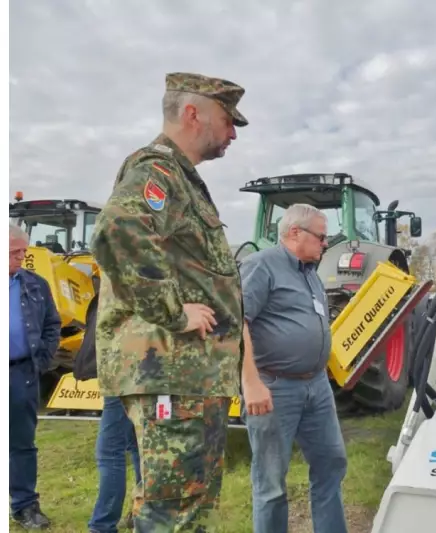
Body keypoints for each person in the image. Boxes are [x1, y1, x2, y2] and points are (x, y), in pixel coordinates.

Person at [90, 72, 248, 530]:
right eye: (227, 119)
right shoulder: (158, 170)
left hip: (188, 376)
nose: (233, 132)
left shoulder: (178, 176)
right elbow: (119, 230)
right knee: (172, 511)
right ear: (193, 112)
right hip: (173, 372)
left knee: (186, 503)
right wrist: (174, 313)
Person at [239, 203, 348, 533]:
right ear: (295, 232)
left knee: (331, 464)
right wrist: (251, 383)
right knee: (271, 483)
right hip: (274, 388)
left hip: (316, 386)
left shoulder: (310, 274)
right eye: (321, 236)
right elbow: (235, 323)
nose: (325, 243)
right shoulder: (261, 266)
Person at [9, 223, 62, 529]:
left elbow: (52, 324)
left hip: (21, 374)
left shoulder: (35, 284)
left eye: (23, 251)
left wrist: (41, 360)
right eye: (15, 252)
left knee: (22, 444)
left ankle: (25, 506)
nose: (21, 257)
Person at [87, 395, 141, 533]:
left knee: (109, 452)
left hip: (122, 383)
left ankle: (103, 525)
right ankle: (142, 512)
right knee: (138, 445)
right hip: (142, 382)